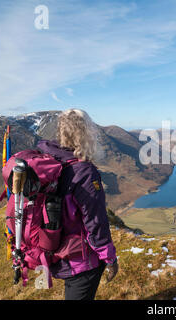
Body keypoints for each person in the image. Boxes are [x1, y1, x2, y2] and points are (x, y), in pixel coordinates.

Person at [37, 108, 118, 300]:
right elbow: (96, 223)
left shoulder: (49, 161)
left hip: (54, 250)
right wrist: (110, 259)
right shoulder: (84, 172)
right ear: (87, 133)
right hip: (81, 258)